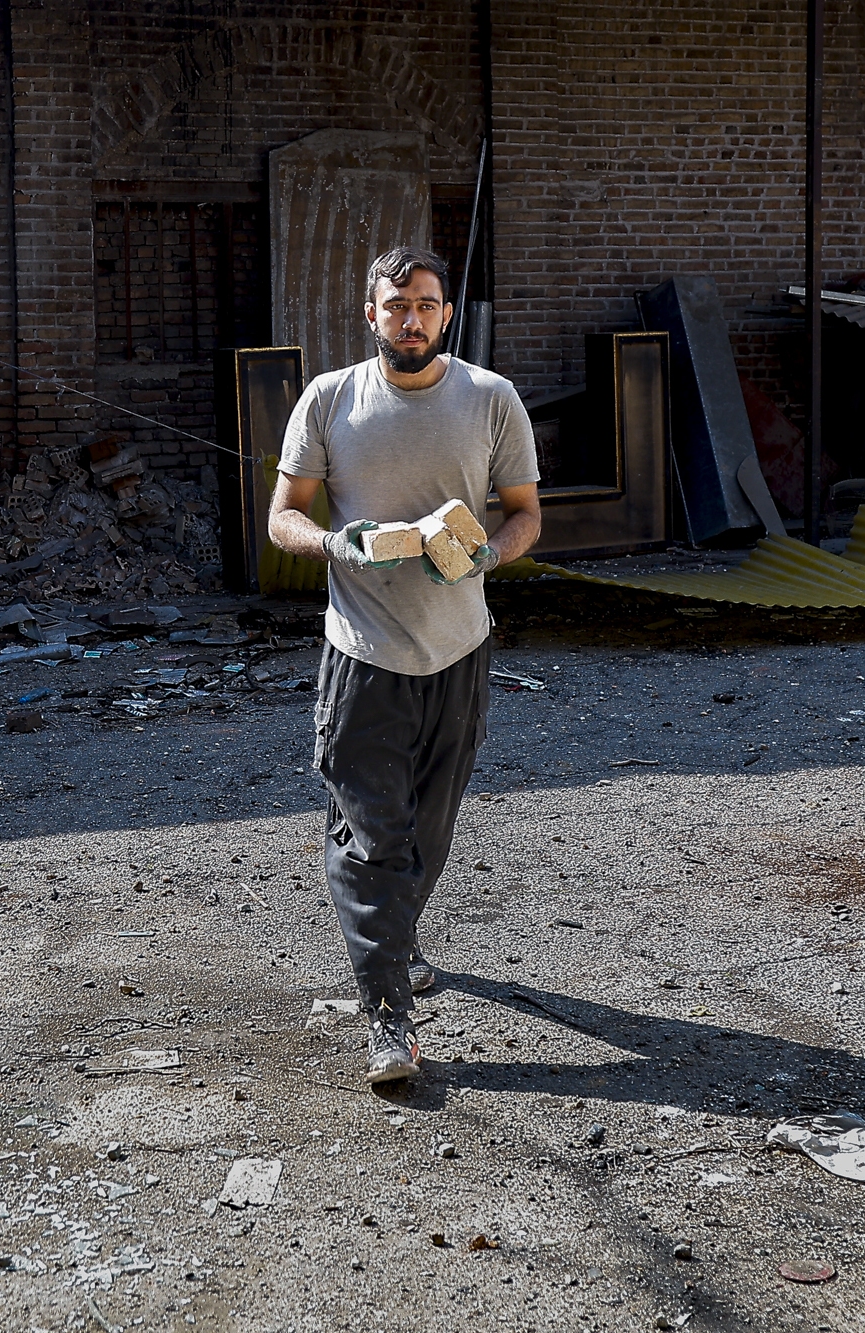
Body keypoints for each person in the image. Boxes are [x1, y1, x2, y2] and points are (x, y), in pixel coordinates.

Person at [268, 245, 541, 1084]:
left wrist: (488, 554)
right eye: (395, 305)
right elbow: (282, 517)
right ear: (371, 314)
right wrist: (336, 543)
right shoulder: (330, 398)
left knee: (425, 834)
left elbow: (525, 514)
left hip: (458, 651)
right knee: (370, 837)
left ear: (445, 313)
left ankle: (395, 935)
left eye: (425, 304)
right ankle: (388, 1016)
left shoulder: (490, 398)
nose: (410, 319)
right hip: (362, 653)